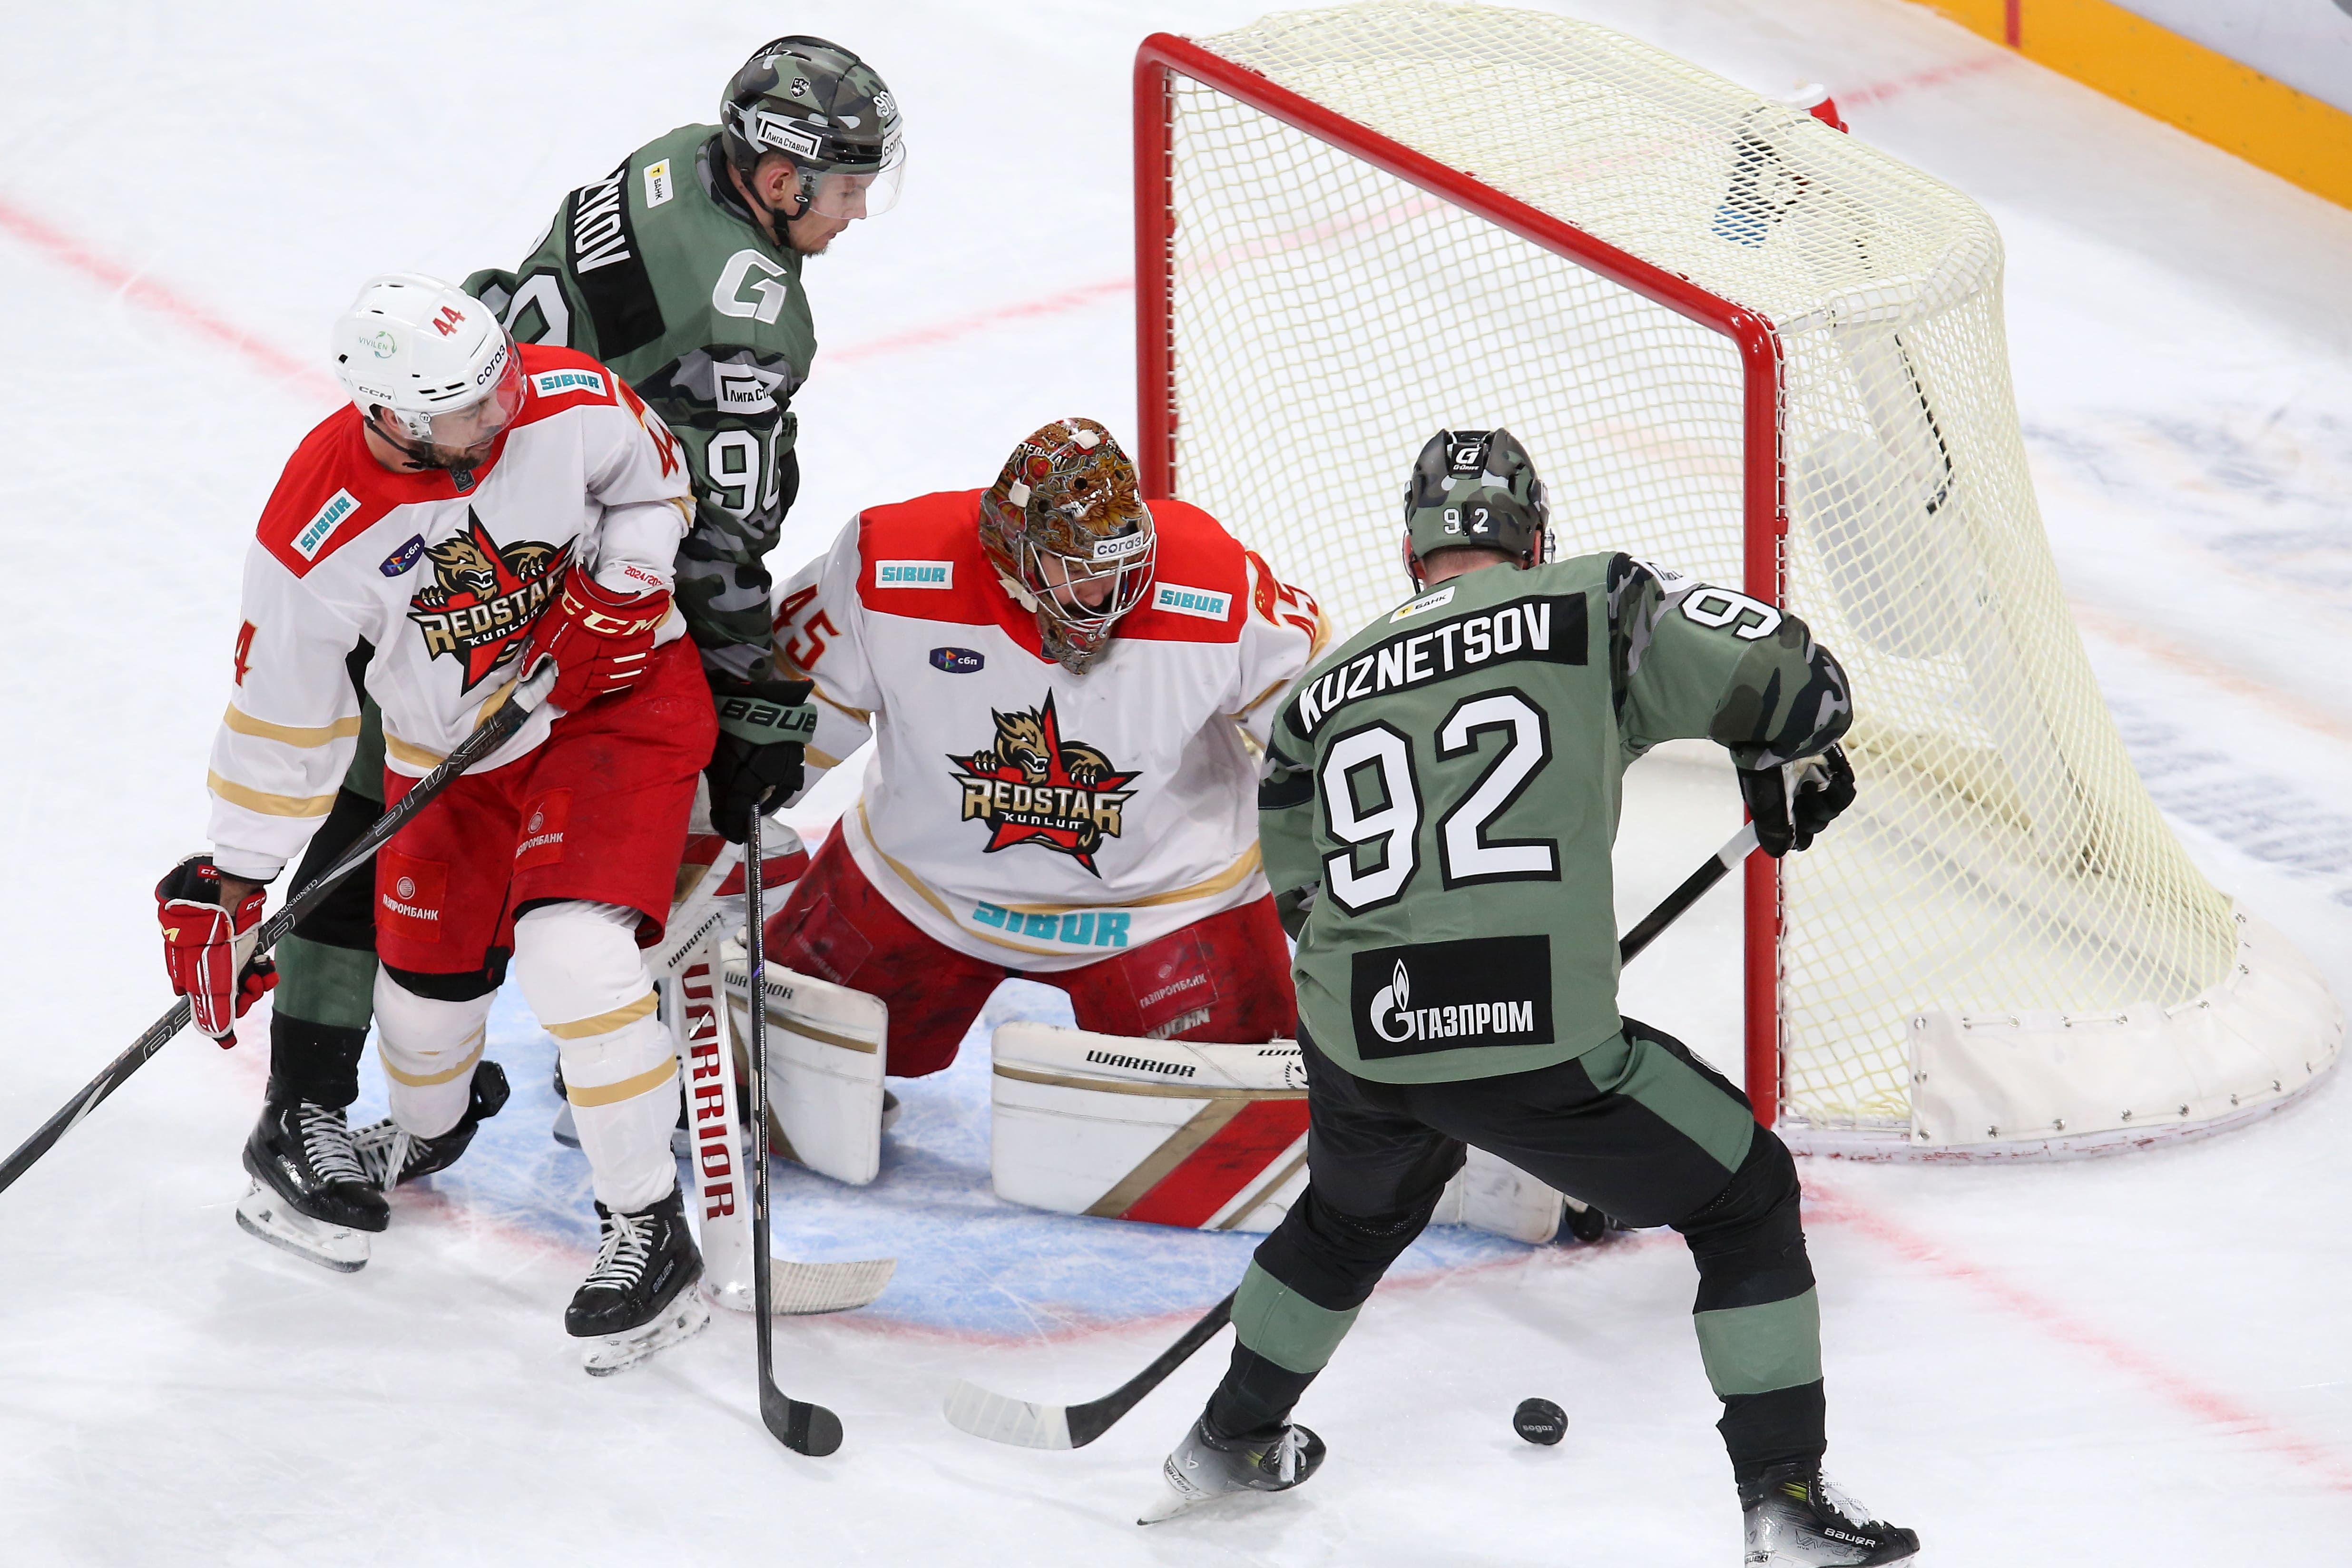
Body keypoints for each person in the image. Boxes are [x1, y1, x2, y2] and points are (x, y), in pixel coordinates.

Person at [1141, 429, 1915, 1566]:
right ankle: (1787, 1500)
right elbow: (1805, 684)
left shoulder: (1319, 693)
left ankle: (1227, 1441)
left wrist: (1419, 991)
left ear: (1412, 550)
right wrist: (1776, 758)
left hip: (1361, 1025)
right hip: (1532, 1037)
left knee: (1350, 1220)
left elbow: (1302, 893)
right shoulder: (1594, 602)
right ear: (1534, 535)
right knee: (1746, 1194)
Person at [253, 35, 899, 1206]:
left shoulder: (678, 158)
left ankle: (472, 1066)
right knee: (387, 818)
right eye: (847, 187)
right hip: (499, 552)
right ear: (779, 177)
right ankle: (305, 1104)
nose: (857, 212)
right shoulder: (746, 312)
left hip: (463, 485)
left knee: (385, 808)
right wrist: (746, 686)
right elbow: (711, 524)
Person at [161, 273, 717, 1370]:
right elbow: (284, 715)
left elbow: (656, 486)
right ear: (395, 416)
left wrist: (627, 582)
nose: (507, 405)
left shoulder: (559, 396)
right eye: (471, 405)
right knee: (420, 1026)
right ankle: (430, 1128)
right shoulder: (318, 526)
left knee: (573, 957)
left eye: (501, 378)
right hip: (448, 755)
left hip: (614, 710)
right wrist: (235, 879)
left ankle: (649, 1225)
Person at [762, 416, 1327, 1088]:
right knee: (780, 1069)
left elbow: (1329, 724)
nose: (1103, 593)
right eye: (1077, 569)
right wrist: (723, 819)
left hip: (1165, 904)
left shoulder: (1216, 583)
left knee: (1243, 1115)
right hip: (922, 889)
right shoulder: (887, 566)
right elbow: (780, 713)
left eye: (1119, 565)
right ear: (1009, 545)